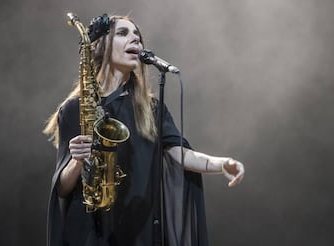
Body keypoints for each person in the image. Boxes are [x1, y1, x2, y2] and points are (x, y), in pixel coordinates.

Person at [44, 14, 245, 246]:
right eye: (123, 33)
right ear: (101, 47)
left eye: (138, 36)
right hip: (89, 231)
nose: (135, 40)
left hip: (137, 229)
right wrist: (77, 161)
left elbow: (180, 154)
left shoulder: (151, 108)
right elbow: (62, 188)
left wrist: (222, 163)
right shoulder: (75, 108)